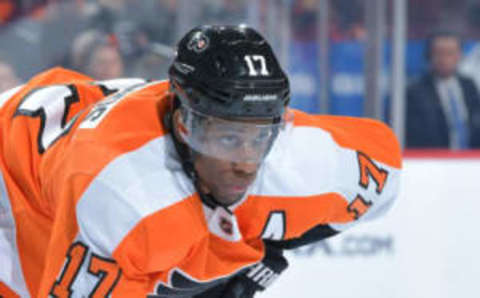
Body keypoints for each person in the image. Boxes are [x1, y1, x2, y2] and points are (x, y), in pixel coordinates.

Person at [0, 25, 402, 298]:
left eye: (259, 135)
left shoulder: (300, 161)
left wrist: (265, 248)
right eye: (226, 136)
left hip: (68, 129)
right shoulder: (121, 194)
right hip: (14, 180)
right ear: (184, 123)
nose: (246, 162)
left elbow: (385, 175)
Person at [406, 30, 480, 148]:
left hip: (470, 159)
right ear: (429, 55)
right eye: (439, 53)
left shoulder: (469, 86)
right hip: (434, 160)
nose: (444, 59)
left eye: (450, 53)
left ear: (459, 55)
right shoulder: (416, 92)